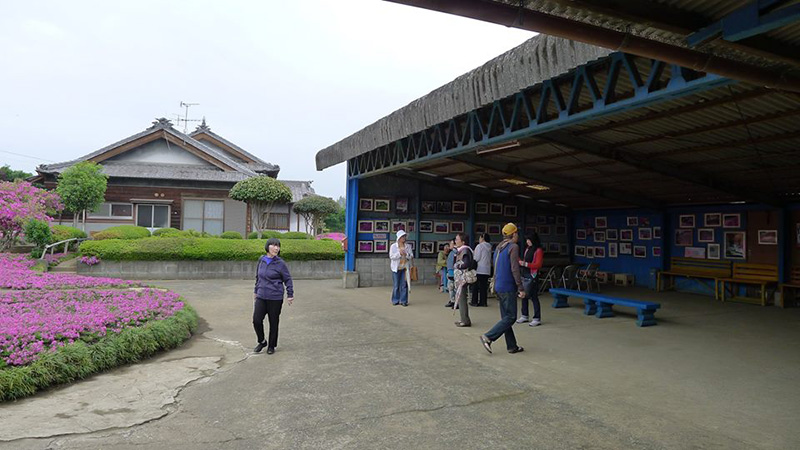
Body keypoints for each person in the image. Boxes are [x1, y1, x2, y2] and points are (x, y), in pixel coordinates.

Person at [480, 223, 525, 354]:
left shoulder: (499, 247)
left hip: (498, 285)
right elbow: (515, 269)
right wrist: (520, 287)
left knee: (506, 317)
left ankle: (512, 346)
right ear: (514, 234)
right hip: (508, 286)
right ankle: (488, 337)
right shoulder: (513, 247)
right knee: (511, 317)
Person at [253, 238, 294, 355]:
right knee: (256, 320)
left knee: (273, 322)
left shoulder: (280, 263)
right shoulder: (261, 260)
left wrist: (290, 294)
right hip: (261, 296)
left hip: (275, 297)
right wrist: (256, 290)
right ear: (267, 247)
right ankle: (262, 341)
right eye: (273, 245)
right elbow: (258, 277)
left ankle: (271, 346)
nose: (276, 248)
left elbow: (288, 279)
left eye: (278, 246)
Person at [517, 234, 544, 326]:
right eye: (527, 240)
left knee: (534, 296)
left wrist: (525, 264)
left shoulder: (538, 250)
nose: (527, 242)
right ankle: (524, 315)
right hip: (524, 274)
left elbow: (538, 265)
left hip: (533, 275)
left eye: (529, 240)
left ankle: (537, 318)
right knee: (524, 295)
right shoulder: (527, 249)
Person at [453, 233, 476, 327]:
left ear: (463, 241)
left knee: (462, 298)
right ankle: (463, 318)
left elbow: (466, 264)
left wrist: (457, 266)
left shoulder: (465, 250)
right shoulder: (463, 250)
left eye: (457, 239)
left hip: (463, 277)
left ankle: (465, 320)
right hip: (461, 277)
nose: (455, 241)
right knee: (460, 297)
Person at [389, 229, 413, 306]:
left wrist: (407, 254)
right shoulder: (393, 246)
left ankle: (404, 301)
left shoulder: (408, 246)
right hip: (396, 268)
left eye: (405, 236)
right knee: (396, 285)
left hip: (405, 268)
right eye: (402, 237)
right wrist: (399, 253)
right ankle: (395, 300)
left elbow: (411, 256)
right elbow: (391, 256)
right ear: (399, 238)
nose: (404, 238)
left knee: (404, 284)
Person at [473, 233, 492, 307]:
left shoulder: (479, 246)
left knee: (476, 285)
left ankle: (474, 301)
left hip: (479, 268)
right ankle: (483, 302)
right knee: (483, 287)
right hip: (487, 269)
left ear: (482, 238)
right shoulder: (489, 246)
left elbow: (476, 258)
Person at [444, 238, 457, 308]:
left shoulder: (456, 252)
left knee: (454, 288)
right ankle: (452, 301)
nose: (449, 245)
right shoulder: (451, 252)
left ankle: (456, 302)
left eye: (451, 244)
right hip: (450, 271)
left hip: (453, 272)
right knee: (450, 287)